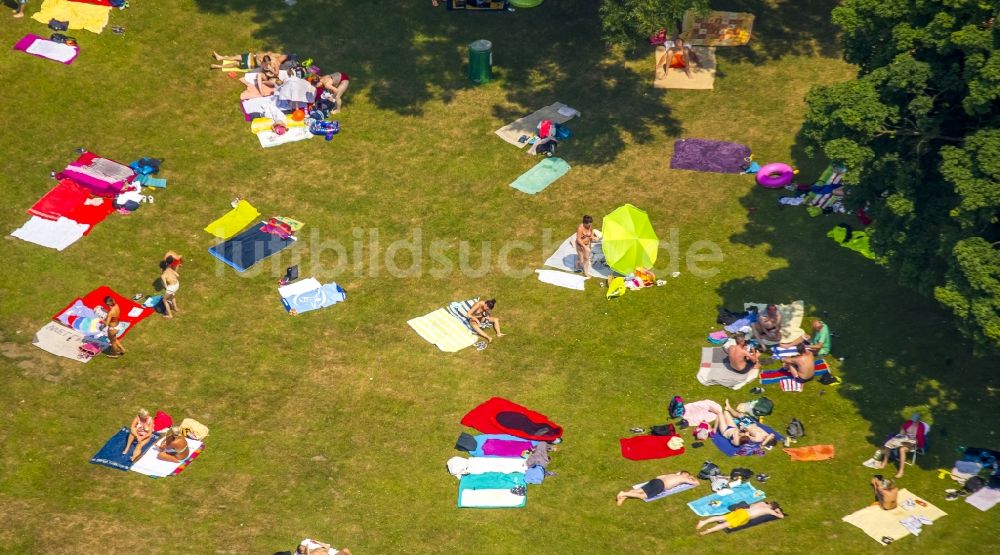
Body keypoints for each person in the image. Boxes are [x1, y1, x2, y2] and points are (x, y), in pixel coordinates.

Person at [878, 413, 928, 478]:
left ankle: (901, 471)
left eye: (915, 421)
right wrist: (902, 433)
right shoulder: (909, 422)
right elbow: (903, 428)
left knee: (902, 449)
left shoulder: (921, 427)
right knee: (888, 444)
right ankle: (884, 462)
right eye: (913, 421)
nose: (913, 422)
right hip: (905, 438)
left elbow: (919, 440)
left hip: (914, 443)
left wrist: (909, 443)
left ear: (919, 420)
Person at [712, 401, 777, 448]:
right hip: (752, 423)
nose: (766, 436)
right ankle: (728, 408)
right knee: (739, 415)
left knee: (734, 419)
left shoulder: (757, 439)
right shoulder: (767, 435)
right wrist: (767, 439)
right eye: (768, 437)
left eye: (767, 438)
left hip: (744, 427)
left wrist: (764, 443)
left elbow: (747, 437)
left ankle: (724, 415)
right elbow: (772, 434)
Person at [696, 501, 784, 535]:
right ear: (773, 508)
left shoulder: (762, 503)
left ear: (770, 503)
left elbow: (750, 505)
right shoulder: (769, 510)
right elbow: (781, 516)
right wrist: (778, 510)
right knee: (726, 524)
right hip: (745, 515)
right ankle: (709, 530)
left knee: (722, 517)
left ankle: (703, 522)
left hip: (741, 510)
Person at [616, 471, 700, 505]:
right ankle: (624, 493)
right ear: (683, 474)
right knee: (643, 496)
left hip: (656, 481)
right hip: (660, 486)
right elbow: (697, 483)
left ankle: (624, 497)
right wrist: (692, 477)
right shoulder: (683, 478)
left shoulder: (672, 474)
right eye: (687, 475)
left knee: (639, 490)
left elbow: (658, 476)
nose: (688, 477)